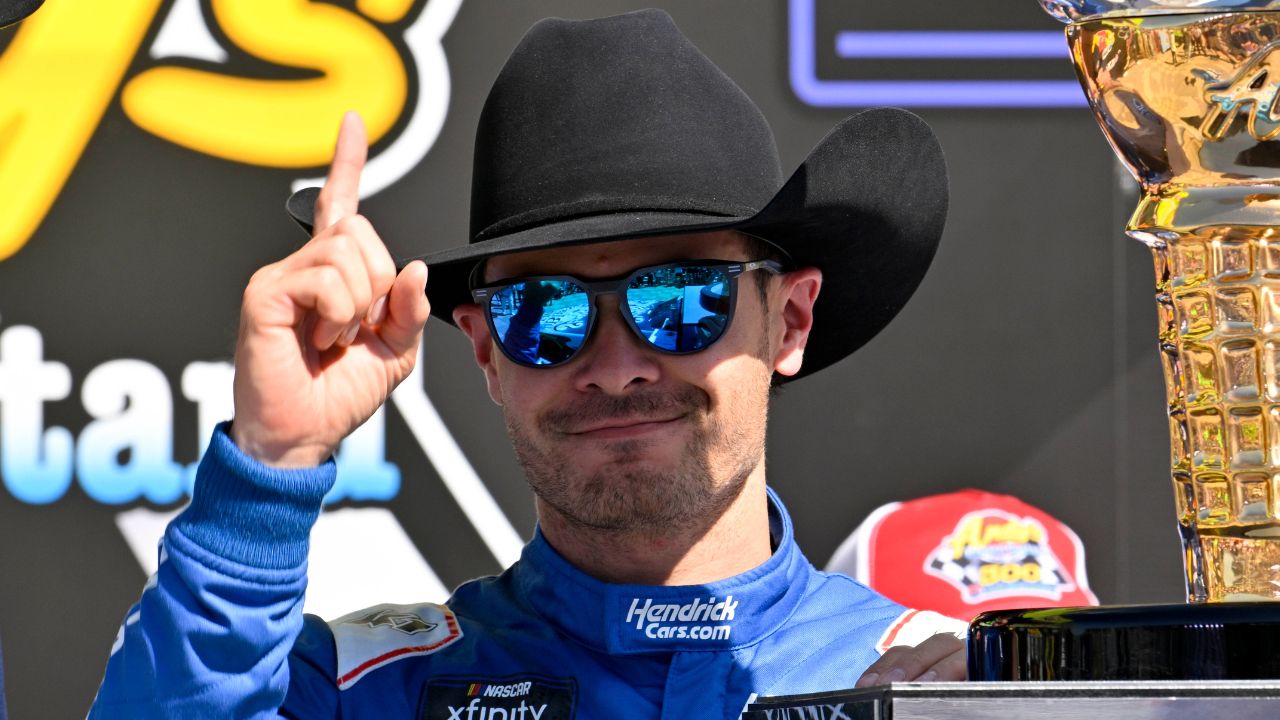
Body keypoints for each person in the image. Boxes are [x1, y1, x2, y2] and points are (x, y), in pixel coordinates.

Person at [89, 9, 964, 719]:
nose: (616, 366)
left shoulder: (951, 687)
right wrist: (268, 468)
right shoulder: (357, 692)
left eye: (684, 299)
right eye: (545, 313)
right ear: (484, 350)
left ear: (790, 319)